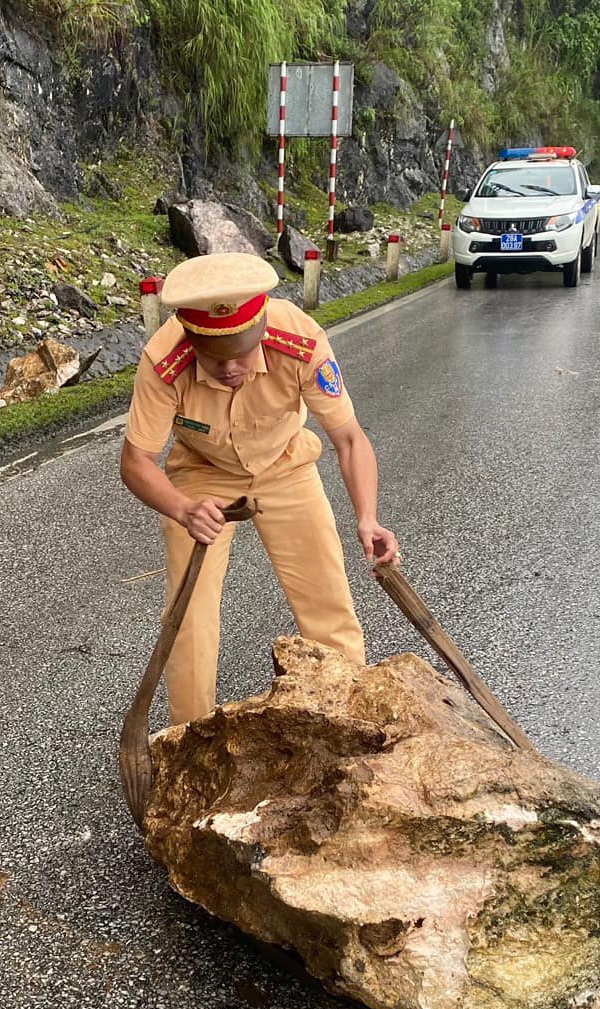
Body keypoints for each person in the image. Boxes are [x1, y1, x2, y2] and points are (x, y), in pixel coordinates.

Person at [120, 252, 400, 725]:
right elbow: (135, 461)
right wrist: (184, 509)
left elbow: (350, 438)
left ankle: (348, 721)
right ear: (192, 342)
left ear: (263, 331)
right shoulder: (163, 361)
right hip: (201, 475)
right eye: (215, 359)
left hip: (285, 463)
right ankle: (190, 737)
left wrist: (368, 516)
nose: (230, 369)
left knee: (326, 599)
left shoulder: (300, 340)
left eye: (242, 355)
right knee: (188, 619)